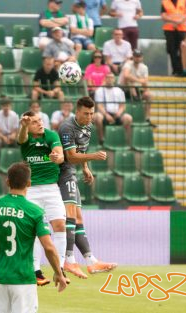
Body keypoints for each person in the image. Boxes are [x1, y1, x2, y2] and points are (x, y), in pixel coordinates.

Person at [0, 162, 67, 311]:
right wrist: (59, 273)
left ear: (7, 182)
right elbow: (49, 247)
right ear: (29, 183)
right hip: (24, 280)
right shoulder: (36, 212)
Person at [58, 96, 117, 277]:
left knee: (78, 217)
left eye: (92, 114)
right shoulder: (67, 127)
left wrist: (85, 168)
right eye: (86, 114)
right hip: (59, 171)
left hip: (72, 172)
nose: (89, 117)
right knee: (70, 215)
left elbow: (81, 151)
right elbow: (70, 156)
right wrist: (93, 157)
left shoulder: (88, 127)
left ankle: (91, 261)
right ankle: (69, 260)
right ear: (77, 111)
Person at [17, 111, 69, 285]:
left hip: (52, 188)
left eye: (40, 120)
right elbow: (22, 138)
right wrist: (24, 126)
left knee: (60, 225)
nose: (39, 124)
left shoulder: (51, 135)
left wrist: (57, 157)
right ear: (28, 126)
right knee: (34, 230)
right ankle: (36, 271)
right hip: (32, 190)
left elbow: (60, 156)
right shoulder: (25, 138)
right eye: (34, 122)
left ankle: (59, 268)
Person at [94, 73, 132, 143]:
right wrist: (106, 115)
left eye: (111, 78)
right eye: (108, 78)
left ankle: (123, 140)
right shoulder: (99, 90)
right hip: (104, 114)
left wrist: (119, 113)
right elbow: (99, 106)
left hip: (116, 114)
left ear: (114, 79)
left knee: (128, 118)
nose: (110, 79)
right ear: (105, 79)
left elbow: (122, 105)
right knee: (97, 117)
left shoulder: (119, 90)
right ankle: (101, 139)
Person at [119, 49, 153, 124]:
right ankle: (135, 99)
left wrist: (146, 90)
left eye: (139, 56)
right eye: (136, 56)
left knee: (149, 95)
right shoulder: (128, 64)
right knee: (129, 81)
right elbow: (126, 75)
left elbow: (145, 81)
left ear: (142, 57)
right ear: (133, 57)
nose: (137, 58)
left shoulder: (144, 67)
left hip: (137, 89)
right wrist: (139, 80)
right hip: (123, 89)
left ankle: (147, 118)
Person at [161, 0, 186, 76]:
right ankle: (176, 71)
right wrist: (174, 21)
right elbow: (163, 16)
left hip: (182, 29)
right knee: (171, 50)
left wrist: (180, 21)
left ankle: (182, 70)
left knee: (182, 50)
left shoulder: (184, 1)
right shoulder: (165, 2)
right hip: (169, 29)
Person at [0, 98, 19, 162]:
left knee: (19, 141)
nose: (6, 108)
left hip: (11, 135)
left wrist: (12, 136)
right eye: (4, 106)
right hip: (0, 136)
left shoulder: (15, 115)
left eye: (8, 106)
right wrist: (4, 137)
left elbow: (16, 130)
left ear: (10, 107)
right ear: (1, 107)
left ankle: (16, 160)